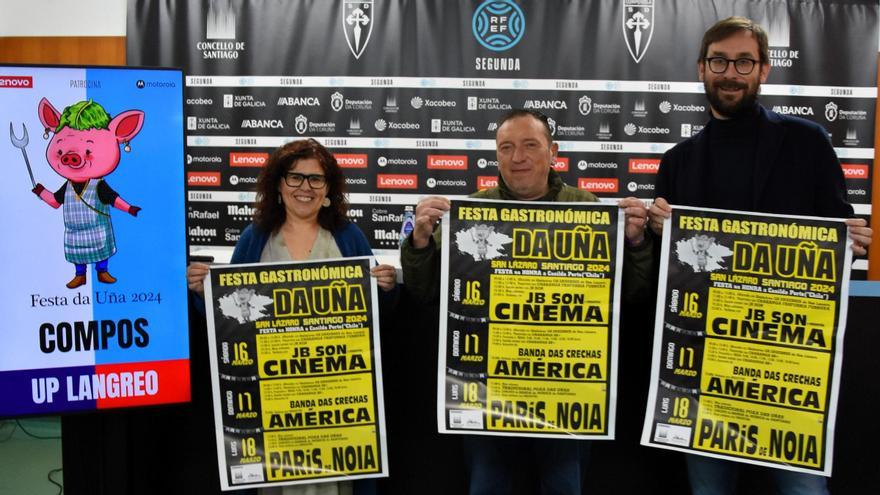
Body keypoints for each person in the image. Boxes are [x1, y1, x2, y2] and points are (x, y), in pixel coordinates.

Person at [647, 16, 873, 495]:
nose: (730, 72)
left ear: (764, 70)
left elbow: (841, 244)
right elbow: (667, 272)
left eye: (744, 61)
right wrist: (652, 233)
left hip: (788, 363)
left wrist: (846, 245)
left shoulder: (807, 141)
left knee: (802, 492)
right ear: (701, 68)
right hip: (704, 360)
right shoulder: (677, 161)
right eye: (719, 61)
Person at [400, 108, 652, 495]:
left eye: (530, 146)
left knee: (564, 486)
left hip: (567, 389)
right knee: (487, 485)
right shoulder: (469, 213)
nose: (518, 157)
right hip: (488, 389)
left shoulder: (589, 207)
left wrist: (635, 242)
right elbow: (425, 291)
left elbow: (630, 293)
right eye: (507, 147)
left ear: (553, 152)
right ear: (496, 155)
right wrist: (418, 242)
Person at [188, 138, 396, 495]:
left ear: (329, 188)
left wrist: (387, 287)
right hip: (275, 397)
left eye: (316, 179)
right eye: (295, 177)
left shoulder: (348, 238)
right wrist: (202, 292)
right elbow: (231, 321)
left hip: (338, 398)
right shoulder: (255, 239)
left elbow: (376, 316)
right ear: (279, 184)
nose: (305, 188)